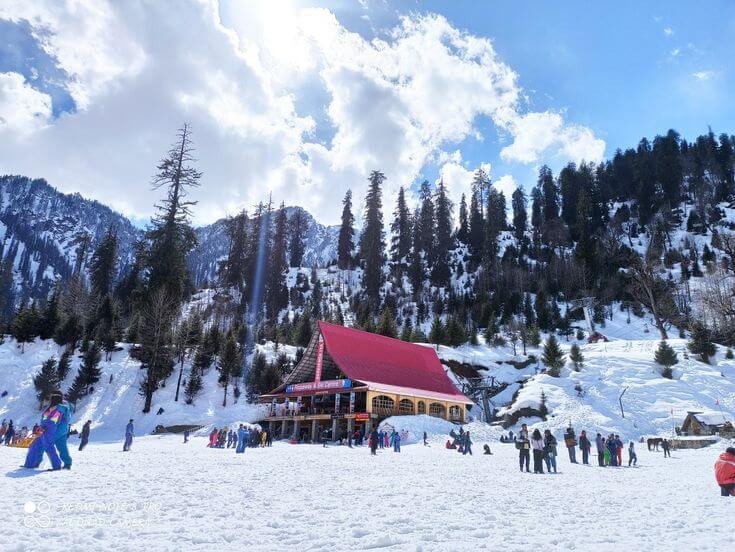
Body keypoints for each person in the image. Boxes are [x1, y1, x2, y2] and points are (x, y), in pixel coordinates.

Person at [23, 394, 65, 470]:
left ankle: (57, 466)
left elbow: (54, 421)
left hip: (49, 432)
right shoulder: (48, 409)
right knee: (34, 446)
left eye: (51, 399)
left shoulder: (58, 411)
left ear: (54, 400)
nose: (50, 400)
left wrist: (45, 427)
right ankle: (29, 464)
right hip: (42, 431)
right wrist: (41, 427)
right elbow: (43, 419)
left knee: (49, 448)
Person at [53, 392, 73, 469]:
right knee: (62, 447)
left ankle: (33, 462)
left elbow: (55, 418)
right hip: (62, 429)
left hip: (59, 429)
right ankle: (67, 463)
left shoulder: (61, 406)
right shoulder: (65, 405)